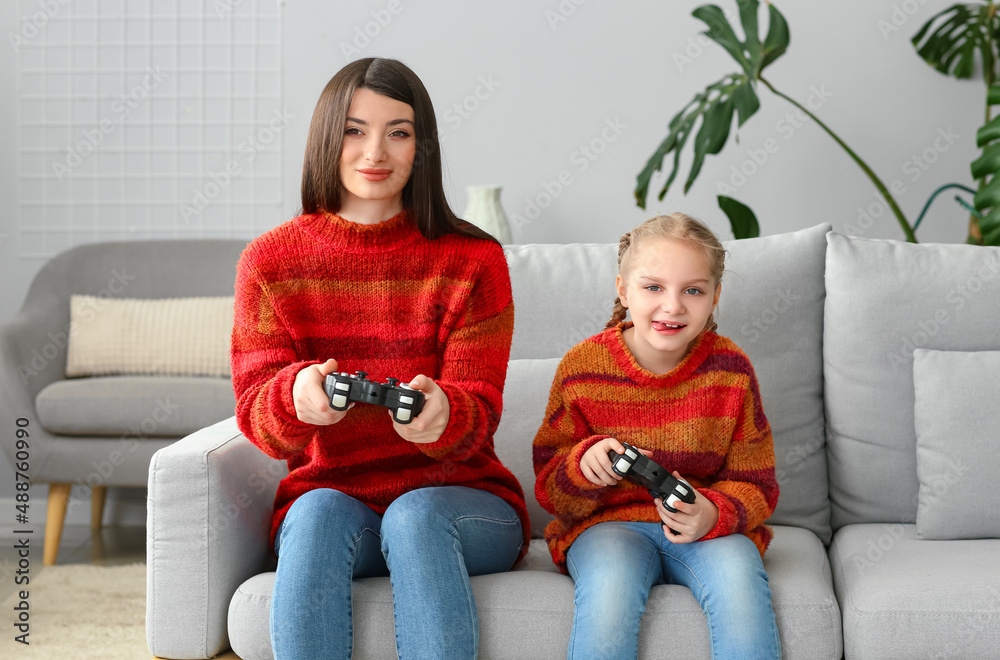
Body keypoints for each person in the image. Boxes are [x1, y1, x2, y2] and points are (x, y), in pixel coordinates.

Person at [230, 57, 529, 660]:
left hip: (464, 500)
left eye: (399, 131)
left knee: (416, 517)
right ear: (326, 137)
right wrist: (297, 397)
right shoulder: (269, 263)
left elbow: (481, 411)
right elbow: (258, 418)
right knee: (313, 516)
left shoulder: (475, 261)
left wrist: (445, 414)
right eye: (354, 129)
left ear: (422, 146)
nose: (375, 151)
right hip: (337, 501)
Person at [533, 213, 781, 659]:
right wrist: (584, 468)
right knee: (609, 594)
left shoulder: (732, 370)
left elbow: (758, 484)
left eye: (693, 290)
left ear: (714, 297)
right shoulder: (582, 366)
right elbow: (551, 489)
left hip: (705, 531)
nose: (673, 306)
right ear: (624, 290)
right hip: (607, 528)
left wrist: (713, 513)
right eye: (653, 288)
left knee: (741, 584)